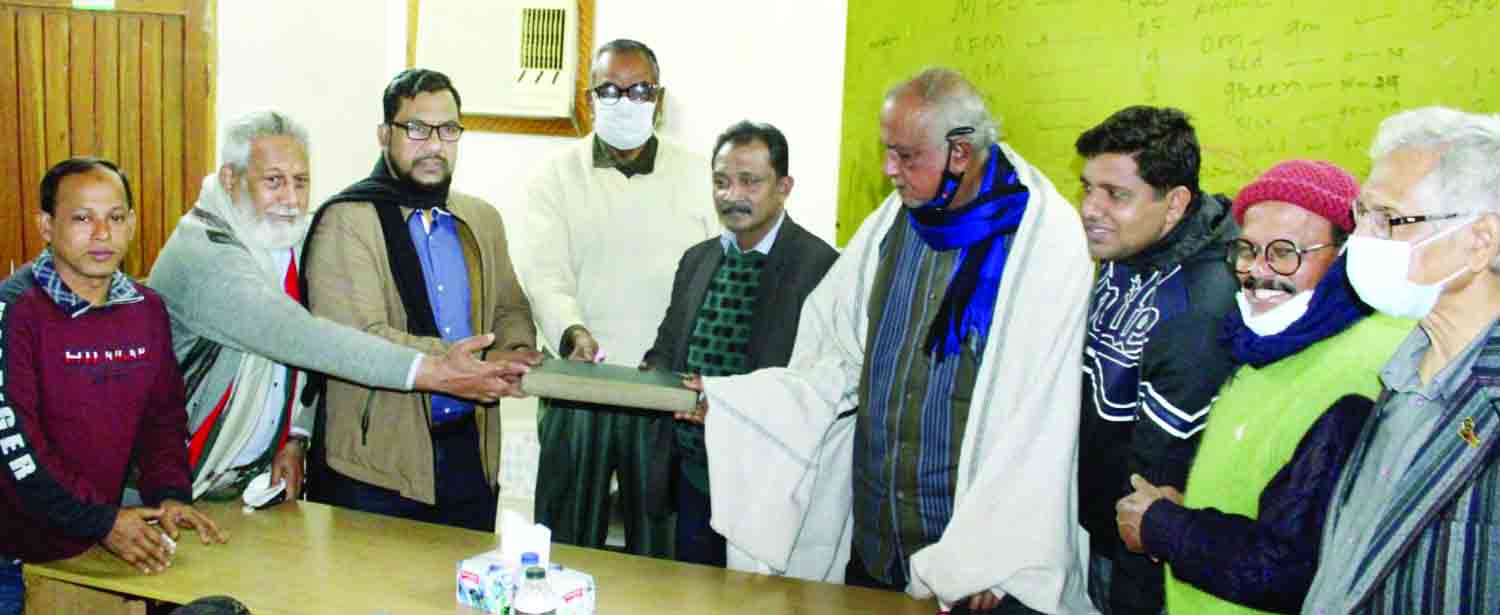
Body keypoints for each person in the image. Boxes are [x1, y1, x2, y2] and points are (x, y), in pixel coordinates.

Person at [689, 68, 1096, 614]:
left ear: (960, 153)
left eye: (906, 156)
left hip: (973, 563)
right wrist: (737, 402)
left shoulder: (1044, 242)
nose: (888, 170)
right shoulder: (893, 226)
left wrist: (999, 553)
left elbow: (1042, 423)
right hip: (878, 545)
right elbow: (835, 359)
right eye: (887, 151)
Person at [149, 110, 530, 502]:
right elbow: (301, 337)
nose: (291, 200)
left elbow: (311, 354)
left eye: (301, 182)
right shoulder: (204, 253)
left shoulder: (287, 238)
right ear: (231, 179)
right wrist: (433, 371)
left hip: (249, 487)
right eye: (274, 181)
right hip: (173, 489)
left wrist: (296, 435)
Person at [1112, 160, 1409, 614]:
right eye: (1247, 250)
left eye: (1285, 252)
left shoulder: (1361, 377)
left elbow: (1293, 569)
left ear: (1345, 253)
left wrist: (1163, 527)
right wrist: (1193, 507)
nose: (1257, 271)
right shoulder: (1265, 341)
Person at [302, 69, 539, 531]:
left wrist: (513, 351)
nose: (434, 145)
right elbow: (357, 339)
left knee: (462, 577)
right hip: (379, 462)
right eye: (416, 129)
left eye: (448, 130)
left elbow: (510, 307)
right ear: (383, 134)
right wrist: (468, 364)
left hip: (469, 450)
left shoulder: (481, 219)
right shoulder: (347, 220)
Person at [0, 158, 227, 615]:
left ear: (132, 224)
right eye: (83, 218)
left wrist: (169, 495)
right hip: (12, 555)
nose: (102, 233)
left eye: (116, 217)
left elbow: (164, 418)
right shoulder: (15, 311)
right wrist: (101, 521)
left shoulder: (146, 310)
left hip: (91, 547)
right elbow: (15, 449)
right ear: (46, 226)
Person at [518, 38, 717, 557]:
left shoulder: (700, 177)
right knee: (565, 544)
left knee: (660, 553)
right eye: (610, 91)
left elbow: (715, 276)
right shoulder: (554, 177)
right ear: (589, 100)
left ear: (660, 100)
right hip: (578, 386)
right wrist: (572, 333)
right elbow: (545, 276)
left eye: (639, 91)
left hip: (665, 393)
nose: (624, 102)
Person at [1300, 107, 1500, 615]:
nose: (1361, 242)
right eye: (1361, 216)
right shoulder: (1402, 372)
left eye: (1388, 219)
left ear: (1480, 240)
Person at [640, 120, 838, 567]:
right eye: (721, 182)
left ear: (784, 187)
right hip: (694, 474)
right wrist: (651, 378)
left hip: (767, 484)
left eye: (750, 181)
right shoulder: (697, 259)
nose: (732, 195)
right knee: (691, 594)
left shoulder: (819, 268)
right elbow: (668, 347)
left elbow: (817, 384)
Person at [1073, 106, 1240, 615]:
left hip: (1145, 568)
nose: (1090, 209)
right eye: (1088, 188)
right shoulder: (1128, 247)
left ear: (1175, 203)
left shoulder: (1201, 306)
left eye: (1116, 194)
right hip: (1095, 532)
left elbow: (1157, 484)